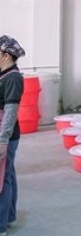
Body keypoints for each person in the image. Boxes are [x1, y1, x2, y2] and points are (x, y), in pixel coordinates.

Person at [0, 35, 25, 236]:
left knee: (2, 179)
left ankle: (1, 225)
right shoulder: (5, 74)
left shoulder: (13, 78)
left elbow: (10, 111)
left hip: (6, 135)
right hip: (5, 134)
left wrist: (2, 140)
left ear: (6, 55)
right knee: (8, 173)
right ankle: (9, 217)